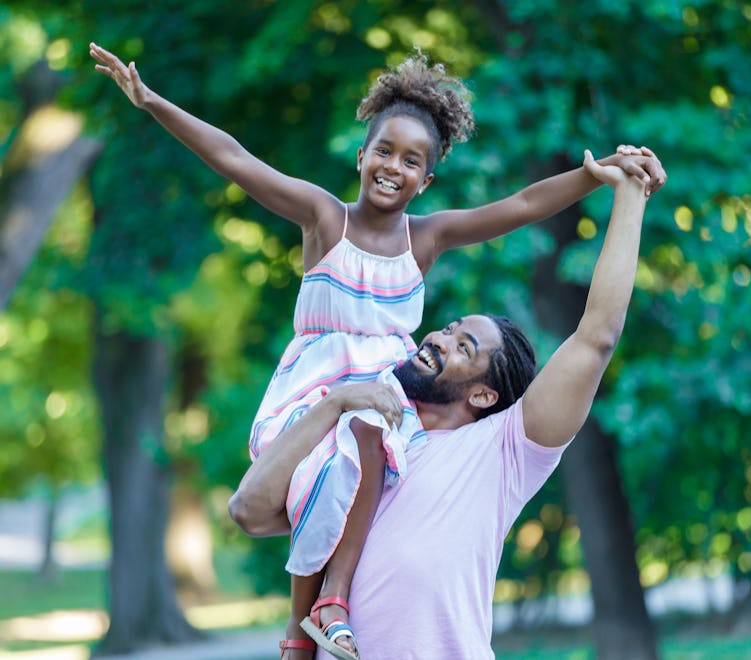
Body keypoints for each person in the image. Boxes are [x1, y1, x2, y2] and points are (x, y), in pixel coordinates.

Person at [89, 42, 665, 659]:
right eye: (384, 151)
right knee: (343, 448)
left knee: (366, 439)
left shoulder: (428, 238)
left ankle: (332, 599)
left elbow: (520, 206)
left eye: (412, 160)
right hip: (320, 387)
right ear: (361, 155)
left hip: (385, 390)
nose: (394, 166)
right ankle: (300, 627)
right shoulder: (323, 219)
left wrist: (594, 175)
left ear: (427, 179)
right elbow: (236, 159)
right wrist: (152, 103)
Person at [229, 151, 655, 659]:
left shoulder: (503, 452)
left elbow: (596, 336)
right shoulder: (357, 442)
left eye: (464, 347)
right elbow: (248, 511)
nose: (441, 338)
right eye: (450, 329)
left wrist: (630, 193)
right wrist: (336, 402)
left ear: (483, 395)